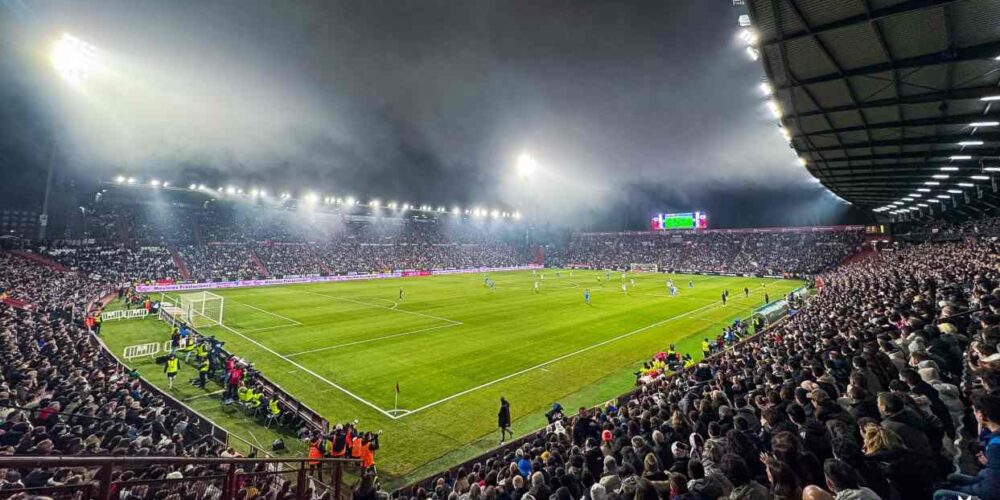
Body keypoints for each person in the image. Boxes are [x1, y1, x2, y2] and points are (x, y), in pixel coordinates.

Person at [932, 392, 1000, 499]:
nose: (974, 414)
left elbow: (991, 490)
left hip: (990, 491)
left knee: (939, 495)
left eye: (975, 411)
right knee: (953, 478)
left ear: (981, 415)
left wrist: (963, 490)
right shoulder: (994, 440)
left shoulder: (995, 447)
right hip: (989, 479)